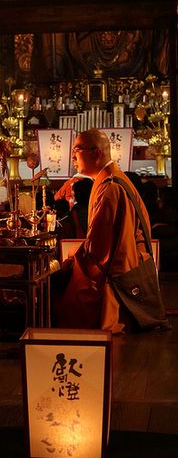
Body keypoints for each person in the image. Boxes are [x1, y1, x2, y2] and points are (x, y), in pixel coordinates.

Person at [52, 128, 168, 332]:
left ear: (96, 153)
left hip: (116, 273)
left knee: (62, 293)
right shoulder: (113, 179)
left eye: (77, 150)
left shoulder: (110, 187)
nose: (72, 157)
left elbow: (99, 250)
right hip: (127, 262)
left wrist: (72, 256)